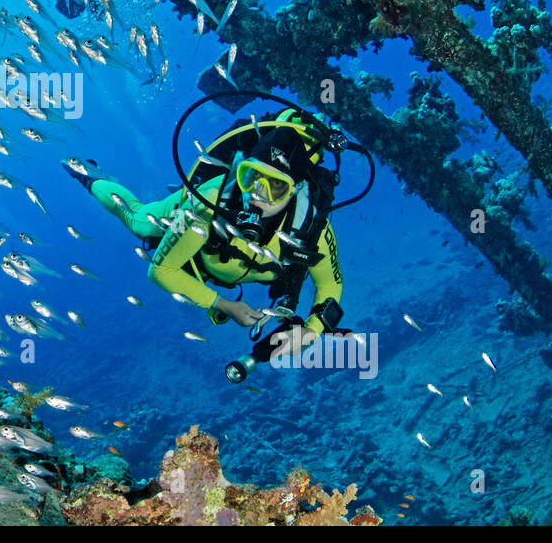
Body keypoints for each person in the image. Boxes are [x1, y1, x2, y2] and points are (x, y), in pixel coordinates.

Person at [63, 108, 344, 361]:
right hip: (183, 219)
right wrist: (222, 305)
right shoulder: (208, 201)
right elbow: (160, 269)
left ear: (295, 190)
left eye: (277, 187)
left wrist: (311, 331)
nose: (258, 196)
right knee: (139, 221)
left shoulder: (312, 228)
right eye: (251, 177)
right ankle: (89, 175)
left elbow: (330, 285)